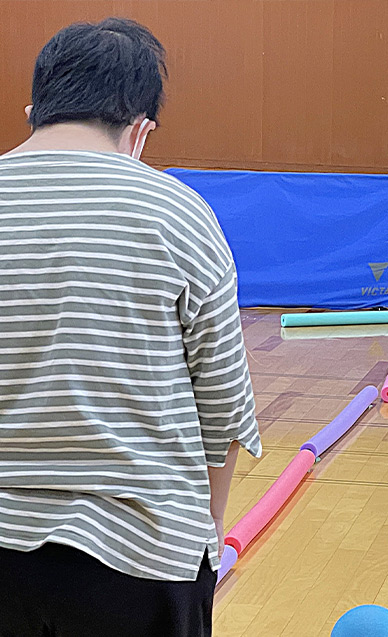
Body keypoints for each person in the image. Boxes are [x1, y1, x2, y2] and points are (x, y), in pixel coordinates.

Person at [0, 18, 261, 636]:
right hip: (141, 561)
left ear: (34, 111)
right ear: (141, 129)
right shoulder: (177, 212)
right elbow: (223, 410)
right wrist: (203, 540)